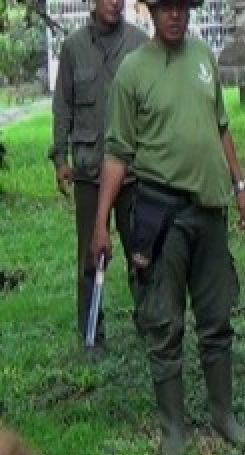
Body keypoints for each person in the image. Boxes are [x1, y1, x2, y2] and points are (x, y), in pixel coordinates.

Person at [91, 0, 245, 455]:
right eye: (166, 7)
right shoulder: (132, 71)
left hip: (210, 211)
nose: (175, 16)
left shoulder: (204, 58)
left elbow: (220, 126)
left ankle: (223, 415)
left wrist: (240, 183)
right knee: (164, 323)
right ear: (152, 11)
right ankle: (173, 430)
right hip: (161, 215)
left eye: (182, 7)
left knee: (217, 317)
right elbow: (117, 152)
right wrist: (101, 224)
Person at [49, 0, 148, 355]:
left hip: (133, 172)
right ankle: (92, 333)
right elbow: (63, 106)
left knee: (142, 251)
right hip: (90, 171)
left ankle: (149, 322)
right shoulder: (74, 47)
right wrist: (60, 157)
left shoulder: (139, 43)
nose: (114, 2)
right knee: (92, 255)